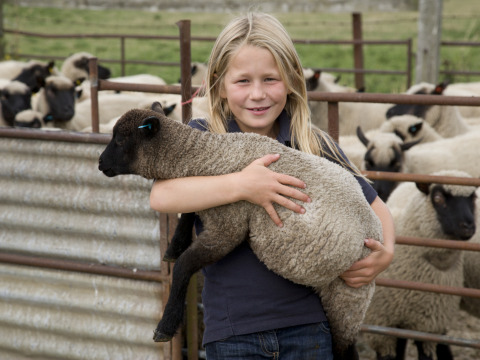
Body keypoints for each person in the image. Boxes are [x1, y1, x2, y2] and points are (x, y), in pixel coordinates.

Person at [150, 12, 395, 360]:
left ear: (292, 80)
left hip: (309, 328)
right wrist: (243, 185)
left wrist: (386, 253)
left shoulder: (311, 144)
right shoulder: (205, 140)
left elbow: (375, 208)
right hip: (233, 333)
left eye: (270, 79)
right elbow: (162, 195)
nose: (258, 94)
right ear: (219, 83)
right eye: (243, 81)